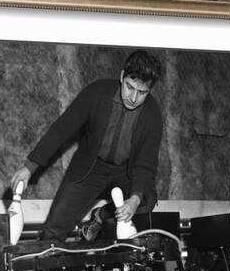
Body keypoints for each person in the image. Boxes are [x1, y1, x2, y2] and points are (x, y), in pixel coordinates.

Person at [11, 49, 163, 242]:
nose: (133, 98)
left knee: (146, 199)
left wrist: (134, 199)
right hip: (90, 169)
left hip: (126, 172)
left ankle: (101, 215)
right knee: (54, 227)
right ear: (122, 75)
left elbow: (146, 163)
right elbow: (62, 129)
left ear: (150, 90)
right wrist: (29, 167)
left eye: (142, 93)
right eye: (130, 87)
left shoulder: (152, 114)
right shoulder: (96, 93)